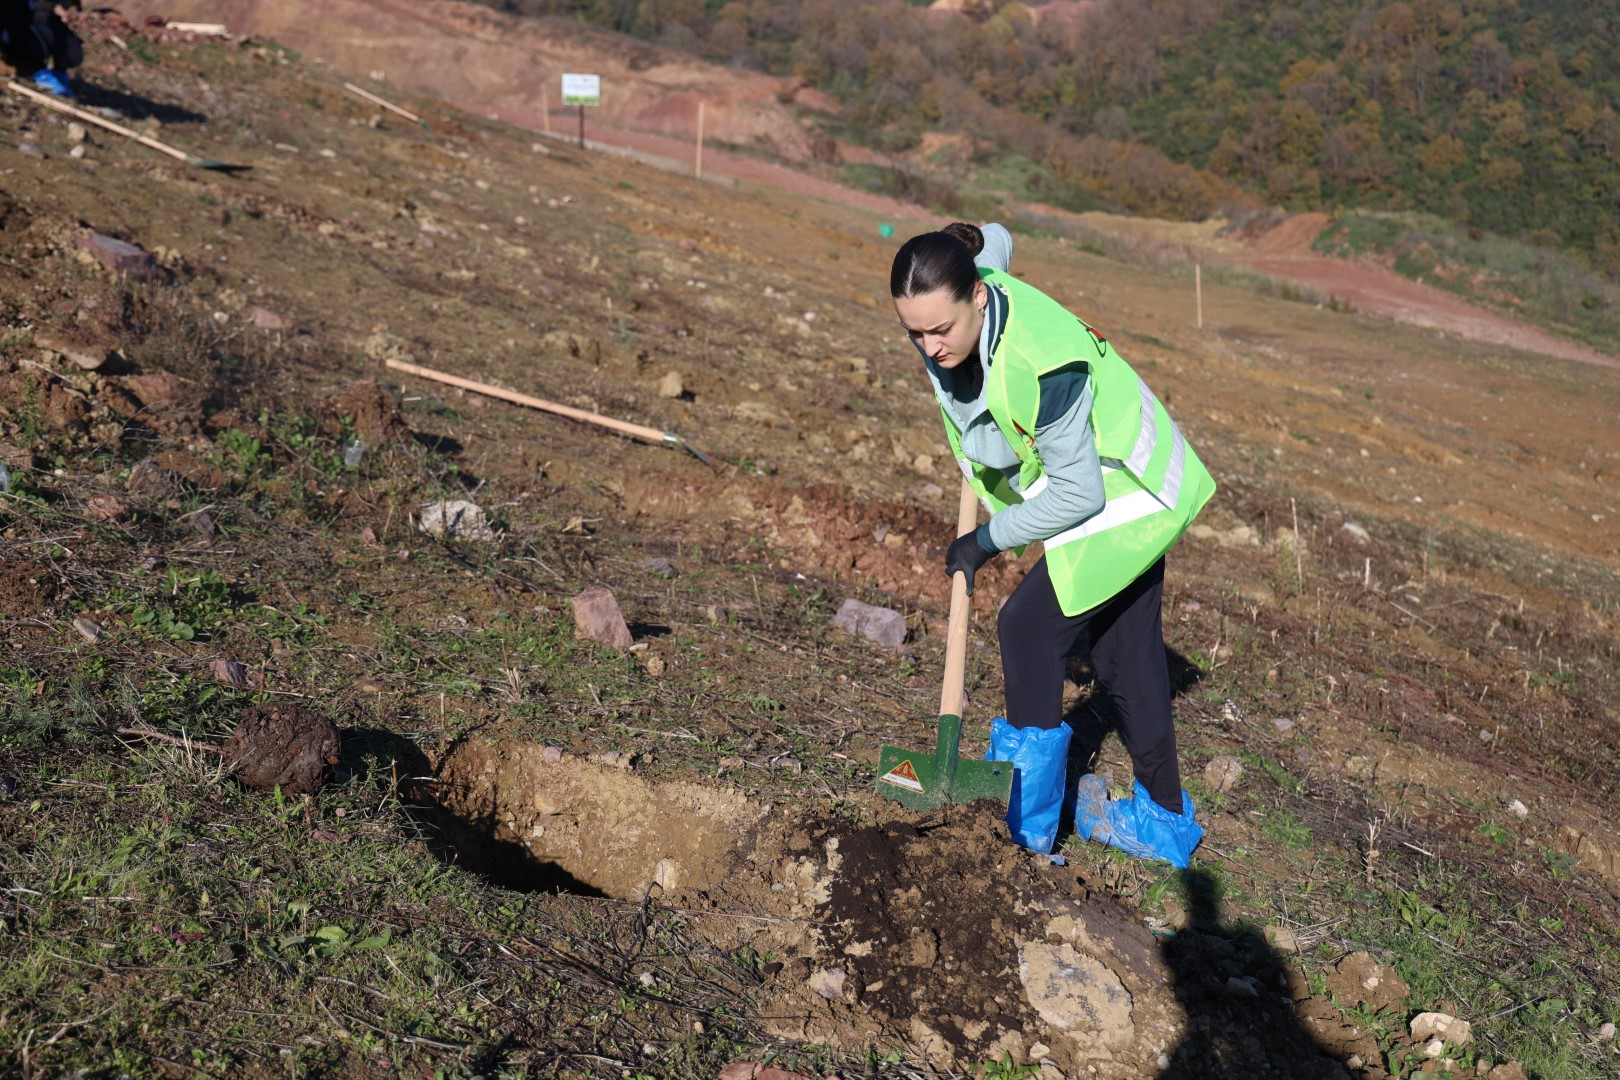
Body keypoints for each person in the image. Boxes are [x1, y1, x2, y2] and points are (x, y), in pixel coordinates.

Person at [890, 221, 1215, 867]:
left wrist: (986, 540)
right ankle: (1162, 823)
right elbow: (997, 238)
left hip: (1124, 493)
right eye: (915, 333)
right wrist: (969, 236)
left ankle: (1025, 834)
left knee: (1029, 629)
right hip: (1133, 478)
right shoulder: (980, 278)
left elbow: (1080, 497)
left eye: (941, 330)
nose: (930, 346)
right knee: (1127, 654)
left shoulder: (1044, 363)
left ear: (978, 298)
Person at [1, 0, 81, 99]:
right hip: (12, 25)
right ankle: (32, 70)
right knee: (20, 31)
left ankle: (56, 74)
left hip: (33, 17)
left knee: (70, 49)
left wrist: (60, 7)